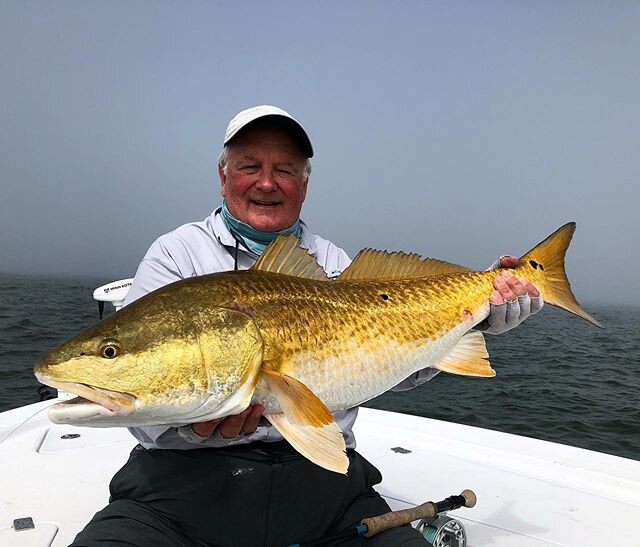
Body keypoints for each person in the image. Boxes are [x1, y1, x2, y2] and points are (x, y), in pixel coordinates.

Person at [71, 105, 542, 547]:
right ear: (223, 175)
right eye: (250, 166)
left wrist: (474, 321)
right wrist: (195, 430)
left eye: (284, 170)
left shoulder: (333, 264)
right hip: (181, 491)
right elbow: (147, 411)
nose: (266, 183)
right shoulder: (176, 255)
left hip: (325, 489)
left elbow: (391, 367)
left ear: (304, 183)